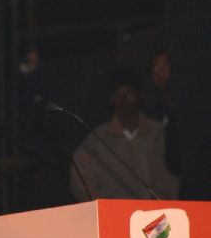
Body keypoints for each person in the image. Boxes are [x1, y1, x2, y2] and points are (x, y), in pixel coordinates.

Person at [70, 69, 179, 201]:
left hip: (155, 216)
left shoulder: (158, 133)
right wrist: (102, 207)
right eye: (117, 93)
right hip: (112, 217)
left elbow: (173, 176)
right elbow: (80, 178)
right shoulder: (97, 139)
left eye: (128, 92)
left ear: (140, 95)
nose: (123, 98)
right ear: (110, 99)